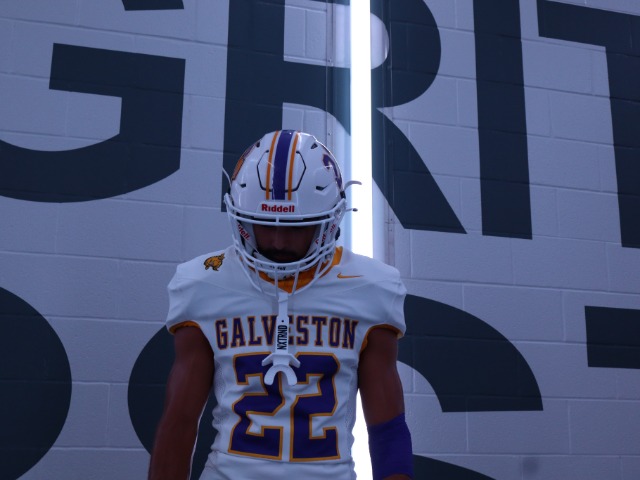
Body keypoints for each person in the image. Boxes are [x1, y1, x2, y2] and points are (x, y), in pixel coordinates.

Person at [148, 130, 413, 480]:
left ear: (330, 221)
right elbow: (180, 421)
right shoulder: (205, 281)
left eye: (295, 227)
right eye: (263, 225)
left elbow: (387, 429)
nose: (277, 241)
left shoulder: (370, 287)